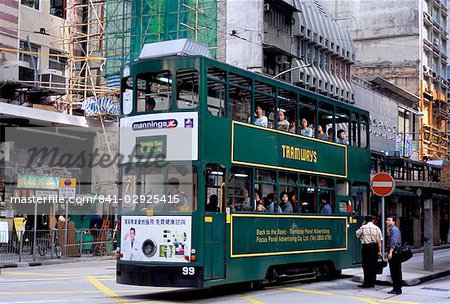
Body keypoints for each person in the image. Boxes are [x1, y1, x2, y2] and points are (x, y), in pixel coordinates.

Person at [356, 215, 383, 288]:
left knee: (366, 265)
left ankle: (366, 283)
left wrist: (362, 225)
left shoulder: (363, 227)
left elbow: (357, 234)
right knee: (373, 265)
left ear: (365, 221)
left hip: (366, 247)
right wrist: (380, 250)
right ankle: (372, 282)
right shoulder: (377, 228)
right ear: (373, 220)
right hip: (375, 247)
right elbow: (380, 240)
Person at [386, 215, 402, 295]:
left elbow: (394, 241)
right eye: (387, 220)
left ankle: (397, 288)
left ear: (393, 221)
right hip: (394, 251)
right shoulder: (391, 229)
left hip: (394, 252)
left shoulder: (394, 230)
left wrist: (390, 252)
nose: (387, 221)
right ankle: (396, 288)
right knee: (395, 270)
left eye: (389, 220)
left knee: (395, 270)